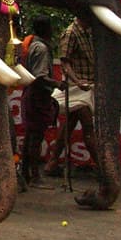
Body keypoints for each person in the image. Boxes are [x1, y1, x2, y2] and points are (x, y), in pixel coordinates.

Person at [46, 16, 100, 175]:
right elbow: (65, 62)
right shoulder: (71, 33)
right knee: (88, 127)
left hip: (88, 86)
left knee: (69, 124)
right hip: (76, 88)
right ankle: (101, 167)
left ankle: (53, 161)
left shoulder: (89, 32)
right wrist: (77, 82)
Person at [19, 15, 59, 187]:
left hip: (30, 94)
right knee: (35, 137)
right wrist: (58, 84)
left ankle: (25, 173)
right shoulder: (41, 49)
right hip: (38, 96)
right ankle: (35, 176)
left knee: (30, 136)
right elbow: (40, 77)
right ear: (46, 30)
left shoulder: (31, 45)